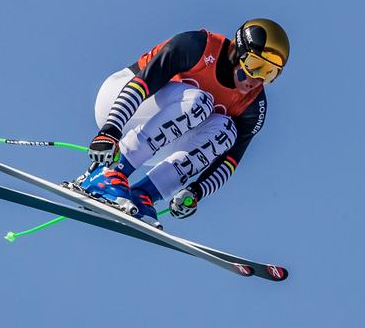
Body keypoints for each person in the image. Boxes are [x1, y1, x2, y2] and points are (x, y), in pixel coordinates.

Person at [76, 18, 290, 230]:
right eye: (254, 65)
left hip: (159, 140)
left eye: (269, 73)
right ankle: (107, 172)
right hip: (121, 102)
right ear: (237, 51)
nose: (257, 80)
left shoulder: (252, 106)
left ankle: (144, 194)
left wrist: (197, 191)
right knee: (200, 103)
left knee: (226, 130)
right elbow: (141, 86)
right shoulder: (197, 46)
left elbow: (229, 162)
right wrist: (110, 130)